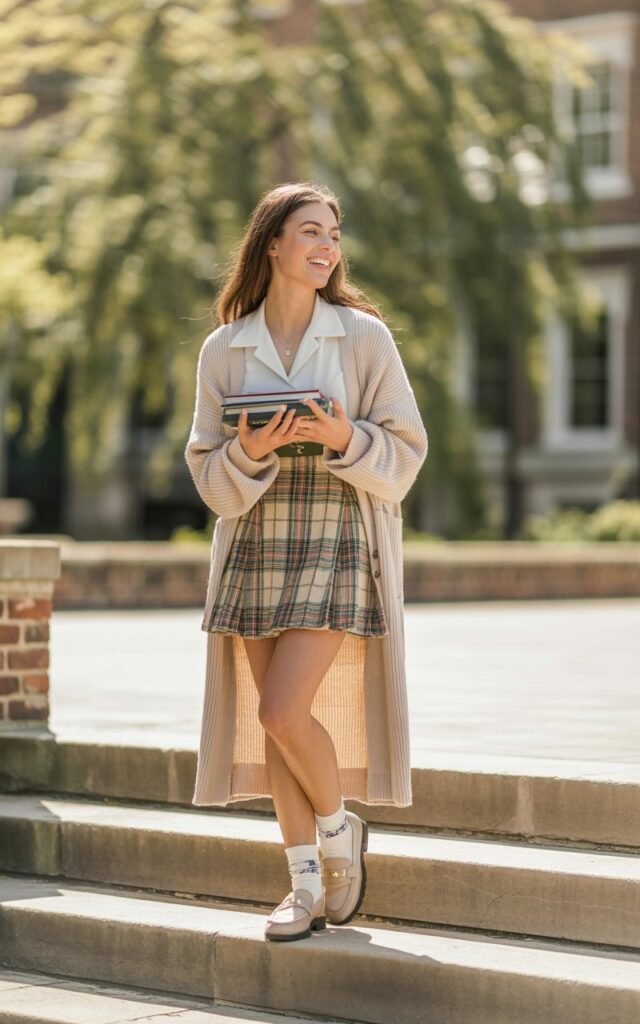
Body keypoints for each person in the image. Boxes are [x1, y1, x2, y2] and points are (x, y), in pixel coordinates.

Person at [185, 181, 428, 942]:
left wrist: (337, 438)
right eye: (311, 232)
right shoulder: (224, 348)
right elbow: (207, 473)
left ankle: (335, 833)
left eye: (334, 233)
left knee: (281, 710)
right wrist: (249, 450)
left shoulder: (362, 337)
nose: (327, 246)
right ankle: (301, 885)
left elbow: (407, 454)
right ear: (273, 246)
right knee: (274, 731)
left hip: (337, 534)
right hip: (256, 538)